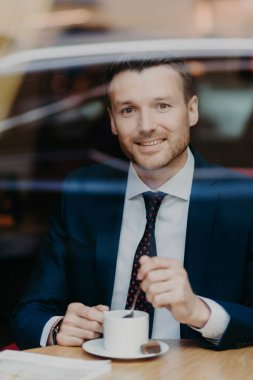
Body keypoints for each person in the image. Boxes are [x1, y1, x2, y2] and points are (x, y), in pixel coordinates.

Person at [11, 55, 253, 350]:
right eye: (128, 110)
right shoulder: (83, 193)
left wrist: (200, 312)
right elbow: (29, 312)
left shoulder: (243, 200)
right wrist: (58, 328)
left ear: (191, 111)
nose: (146, 126)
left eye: (162, 106)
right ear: (112, 121)